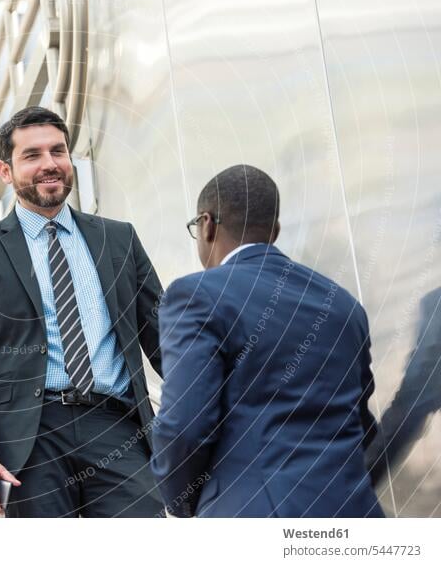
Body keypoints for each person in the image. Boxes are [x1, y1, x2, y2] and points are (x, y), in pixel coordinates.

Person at [0, 106, 165, 517]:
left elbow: (164, 336)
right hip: (32, 437)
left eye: (58, 151)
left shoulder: (118, 238)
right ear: (6, 171)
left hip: (116, 425)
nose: (50, 164)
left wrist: (208, 407)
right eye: (32, 155)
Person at [150, 164, 384, 518]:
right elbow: (361, 420)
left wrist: (180, 502)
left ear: (206, 224)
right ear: (274, 231)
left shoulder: (196, 295)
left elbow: (185, 423)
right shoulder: (343, 305)